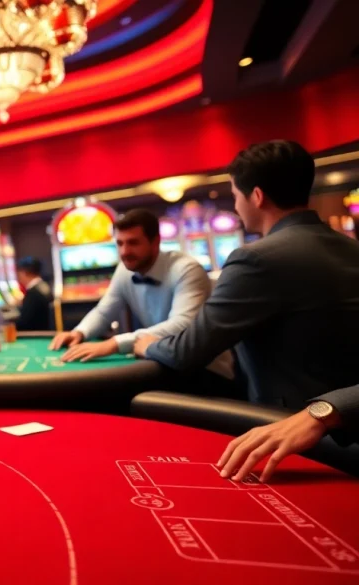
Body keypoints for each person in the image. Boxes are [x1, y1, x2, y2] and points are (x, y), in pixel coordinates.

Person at [134, 140, 359, 482]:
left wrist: (145, 344)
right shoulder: (351, 248)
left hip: (298, 445)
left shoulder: (255, 259)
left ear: (256, 196)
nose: (236, 207)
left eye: (235, 196)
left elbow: (186, 352)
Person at [47, 209, 235, 382]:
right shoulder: (125, 270)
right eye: (120, 243)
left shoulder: (186, 270)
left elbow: (182, 325)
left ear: (155, 242)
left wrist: (116, 343)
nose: (124, 252)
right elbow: (104, 312)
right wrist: (80, 332)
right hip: (165, 363)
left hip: (207, 371)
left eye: (133, 243)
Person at [13, 256, 52, 331]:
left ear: (23, 273)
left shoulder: (32, 294)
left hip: (35, 335)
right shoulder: (44, 286)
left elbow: (24, 323)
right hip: (45, 331)